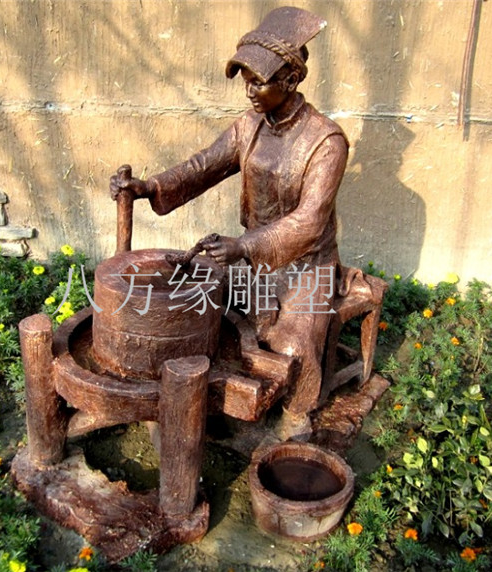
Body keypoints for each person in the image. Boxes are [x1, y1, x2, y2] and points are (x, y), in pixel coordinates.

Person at [110, 7, 349, 440]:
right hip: (254, 257)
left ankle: (298, 415)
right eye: (246, 80)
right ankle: (215, 400)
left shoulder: (326, 141)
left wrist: (244, 246)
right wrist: (149, 186)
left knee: (291, 344)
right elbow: (202, 166)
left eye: (260, 82)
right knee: (202, 313)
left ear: (290, 81)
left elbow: (310, 222)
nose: (249, 91)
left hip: (306, 265)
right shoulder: (248, 126)